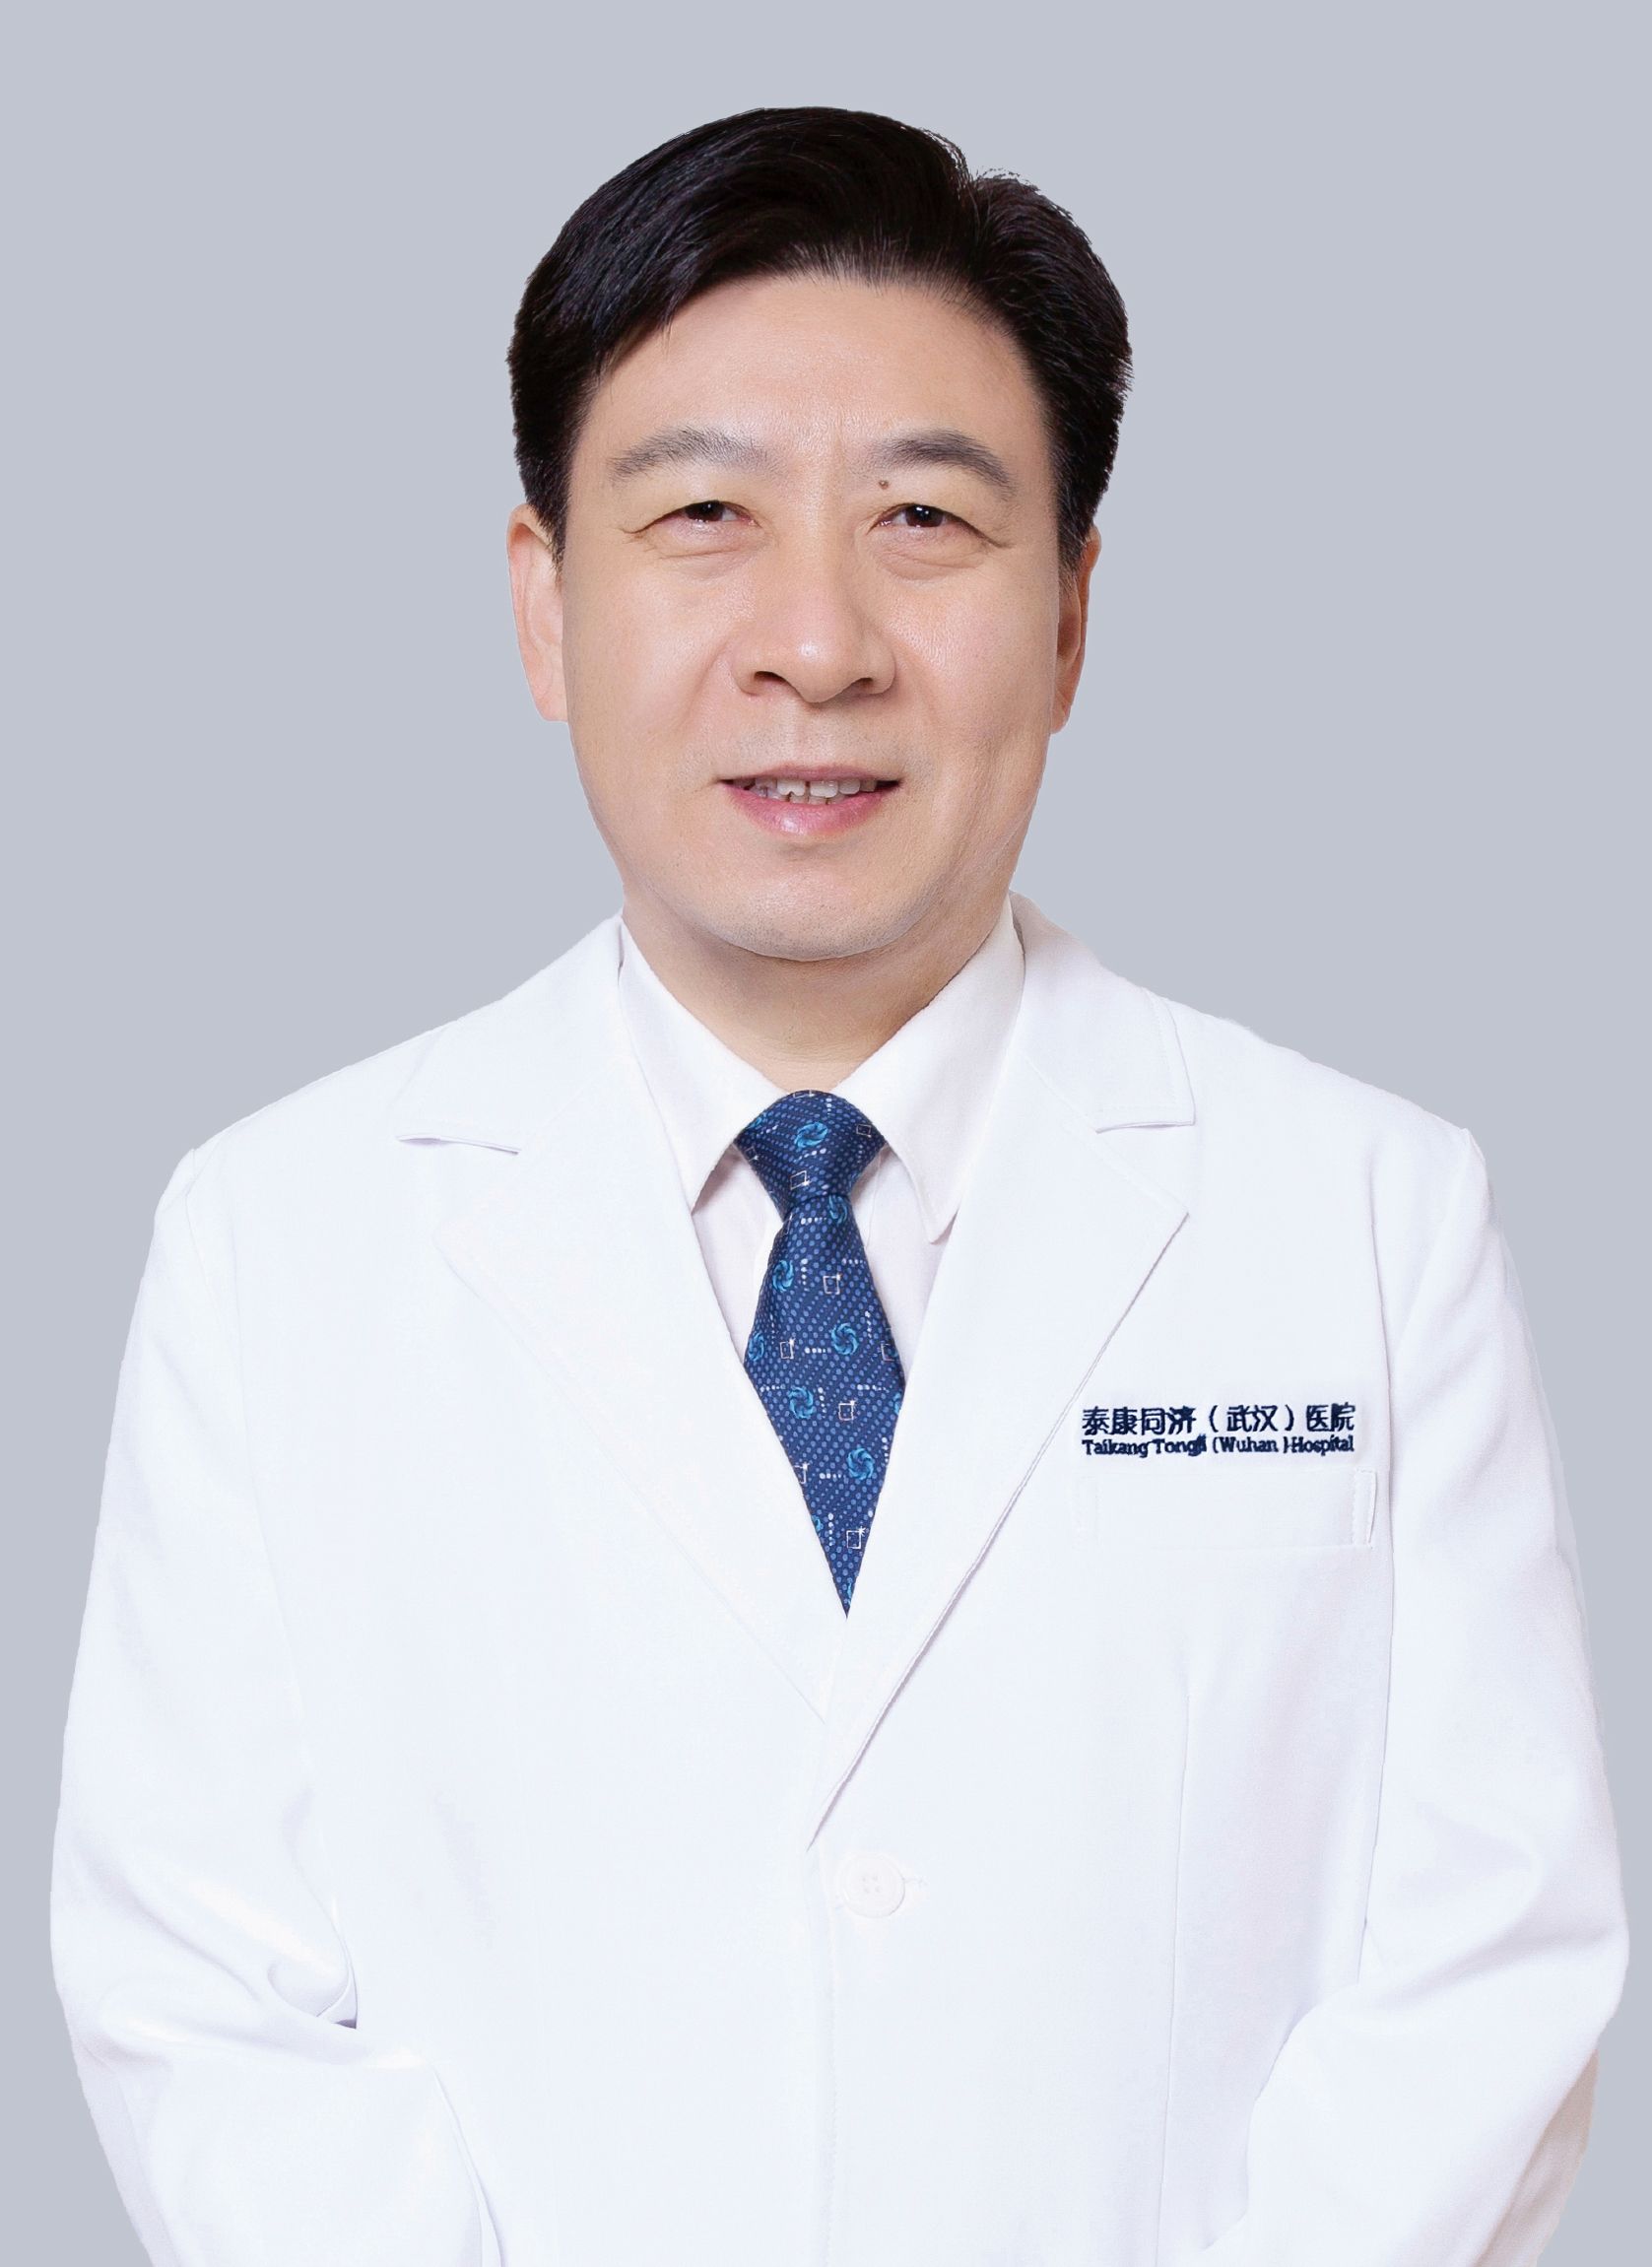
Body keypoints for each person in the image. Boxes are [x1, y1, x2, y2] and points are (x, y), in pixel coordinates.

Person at [49, 105, 1627, 2267]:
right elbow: (202, 1999)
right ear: (543, 603)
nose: (816, 640)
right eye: (702, 513)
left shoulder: (1363, 1216)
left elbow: (1488, 1965)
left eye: (922, 519)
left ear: (1068, 614)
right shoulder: (276, 1243)